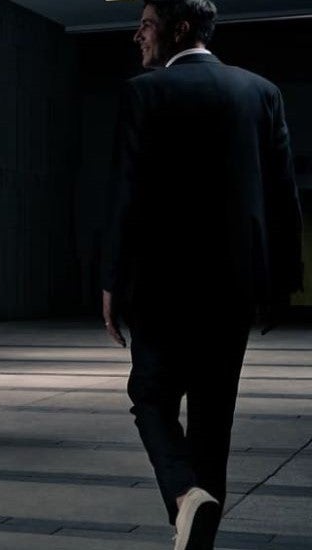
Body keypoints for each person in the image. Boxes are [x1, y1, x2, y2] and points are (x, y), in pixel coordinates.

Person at [102, 1, 303, 549]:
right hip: (234, 289)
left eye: (145, 24)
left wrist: (112, 282)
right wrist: (282, 282)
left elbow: (126, 194)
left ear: (177, 28)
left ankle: (184, 494)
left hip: (160, 288)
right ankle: (197, 535)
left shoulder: (142, 94)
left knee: (150, 397)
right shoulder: (260, 93)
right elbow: (283, 195)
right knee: (214, 424)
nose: (137, 35)